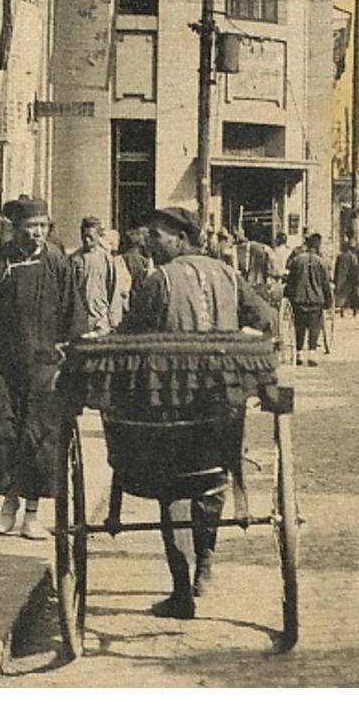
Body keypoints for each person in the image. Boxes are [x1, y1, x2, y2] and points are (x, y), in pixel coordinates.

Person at [120, 206, 276, 619]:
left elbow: (131, 337)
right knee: (213, 477)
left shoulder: (158, 280)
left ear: (182, 238)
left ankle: (180, 591)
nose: (150, 242)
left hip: (172, 401)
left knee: (172, 488)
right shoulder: (227, 274)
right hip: (222, 400)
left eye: (158, 236)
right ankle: (205, 565)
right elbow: (264, 318)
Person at [0, 196, 86, 540]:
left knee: (38, 437)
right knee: (4, 432)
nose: (37, 233)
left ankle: (32, 514)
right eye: (30, 227)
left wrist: (69, 351)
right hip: (3, 363)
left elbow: (73, 314)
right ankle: (9, 501)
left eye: (42, 226)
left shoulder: (58, 263)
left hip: (44, 364)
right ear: (15, 229)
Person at [70, 215, 125, 338]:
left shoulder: (107, 259)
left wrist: (113, 318)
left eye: (90, 237)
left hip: (101, 318)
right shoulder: (75, 259)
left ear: (98, 236)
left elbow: (114, 288)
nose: (87, 241)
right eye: (84, 237)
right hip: (81, 319)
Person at [284, 233, 334, 364]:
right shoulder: (321, 262)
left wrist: (288, 295)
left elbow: (291, 281)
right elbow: (325, 284)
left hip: (299, 299)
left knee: (299, 326)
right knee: (314, 327)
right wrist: (328, 300)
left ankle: (299, 353)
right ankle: (312, 354)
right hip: (316, 300)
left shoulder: (297, 260)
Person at [334, 237, 359, 316]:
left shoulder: (340, 256)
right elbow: (355, 268)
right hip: (351, 278)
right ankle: (354, 310)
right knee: (354, 295)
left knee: (343, 295)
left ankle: (343, 310)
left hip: (342, 279)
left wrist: (335, 279)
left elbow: (336, 269)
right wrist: (358, 278)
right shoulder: (353, 257)